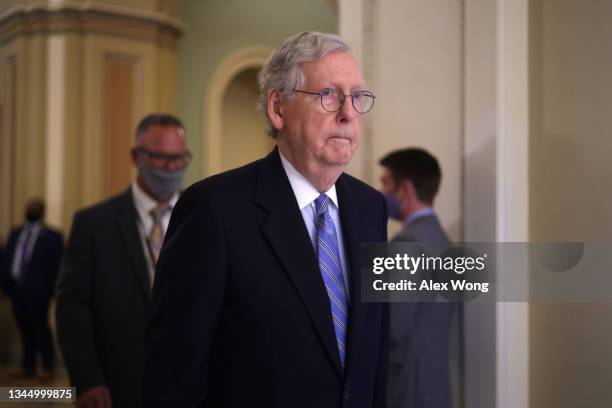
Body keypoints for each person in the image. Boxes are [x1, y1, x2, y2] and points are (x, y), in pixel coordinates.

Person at [144, 31, 389, 408]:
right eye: (328, 95)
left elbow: (374, 356)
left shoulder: (370, 208)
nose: (347, 113)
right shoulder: (213, 210)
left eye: (357, 97)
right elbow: (173, 375)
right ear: (278, 108)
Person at [55, 113, 191, 408]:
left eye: (179, 158)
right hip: (118, 385)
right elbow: (72, 308)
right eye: (159, 157)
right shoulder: (94, 224)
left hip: (188, 386)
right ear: (136, 156)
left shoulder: (201, 218)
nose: (171, 168)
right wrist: (87, 380)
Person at [379, 148, 457, 408]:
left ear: (406, 190)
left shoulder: (406, 243)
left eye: (386, 184)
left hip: (407, 387)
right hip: (434, 384)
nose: (382, 193)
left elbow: (393, 325)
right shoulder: (443, 241)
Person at [0, 198, 63, 380]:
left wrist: (53, 290)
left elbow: (58, 265)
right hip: (16, 289)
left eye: (35, 207)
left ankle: (48, 367)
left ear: (42, 211)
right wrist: (4, 286)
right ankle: (27, 366)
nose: (31, 209)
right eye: (29, 206)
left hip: (39, 291)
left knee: (41, 328)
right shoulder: (15, 233)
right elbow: (7, 259)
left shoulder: (52, 236)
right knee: (24, 328)